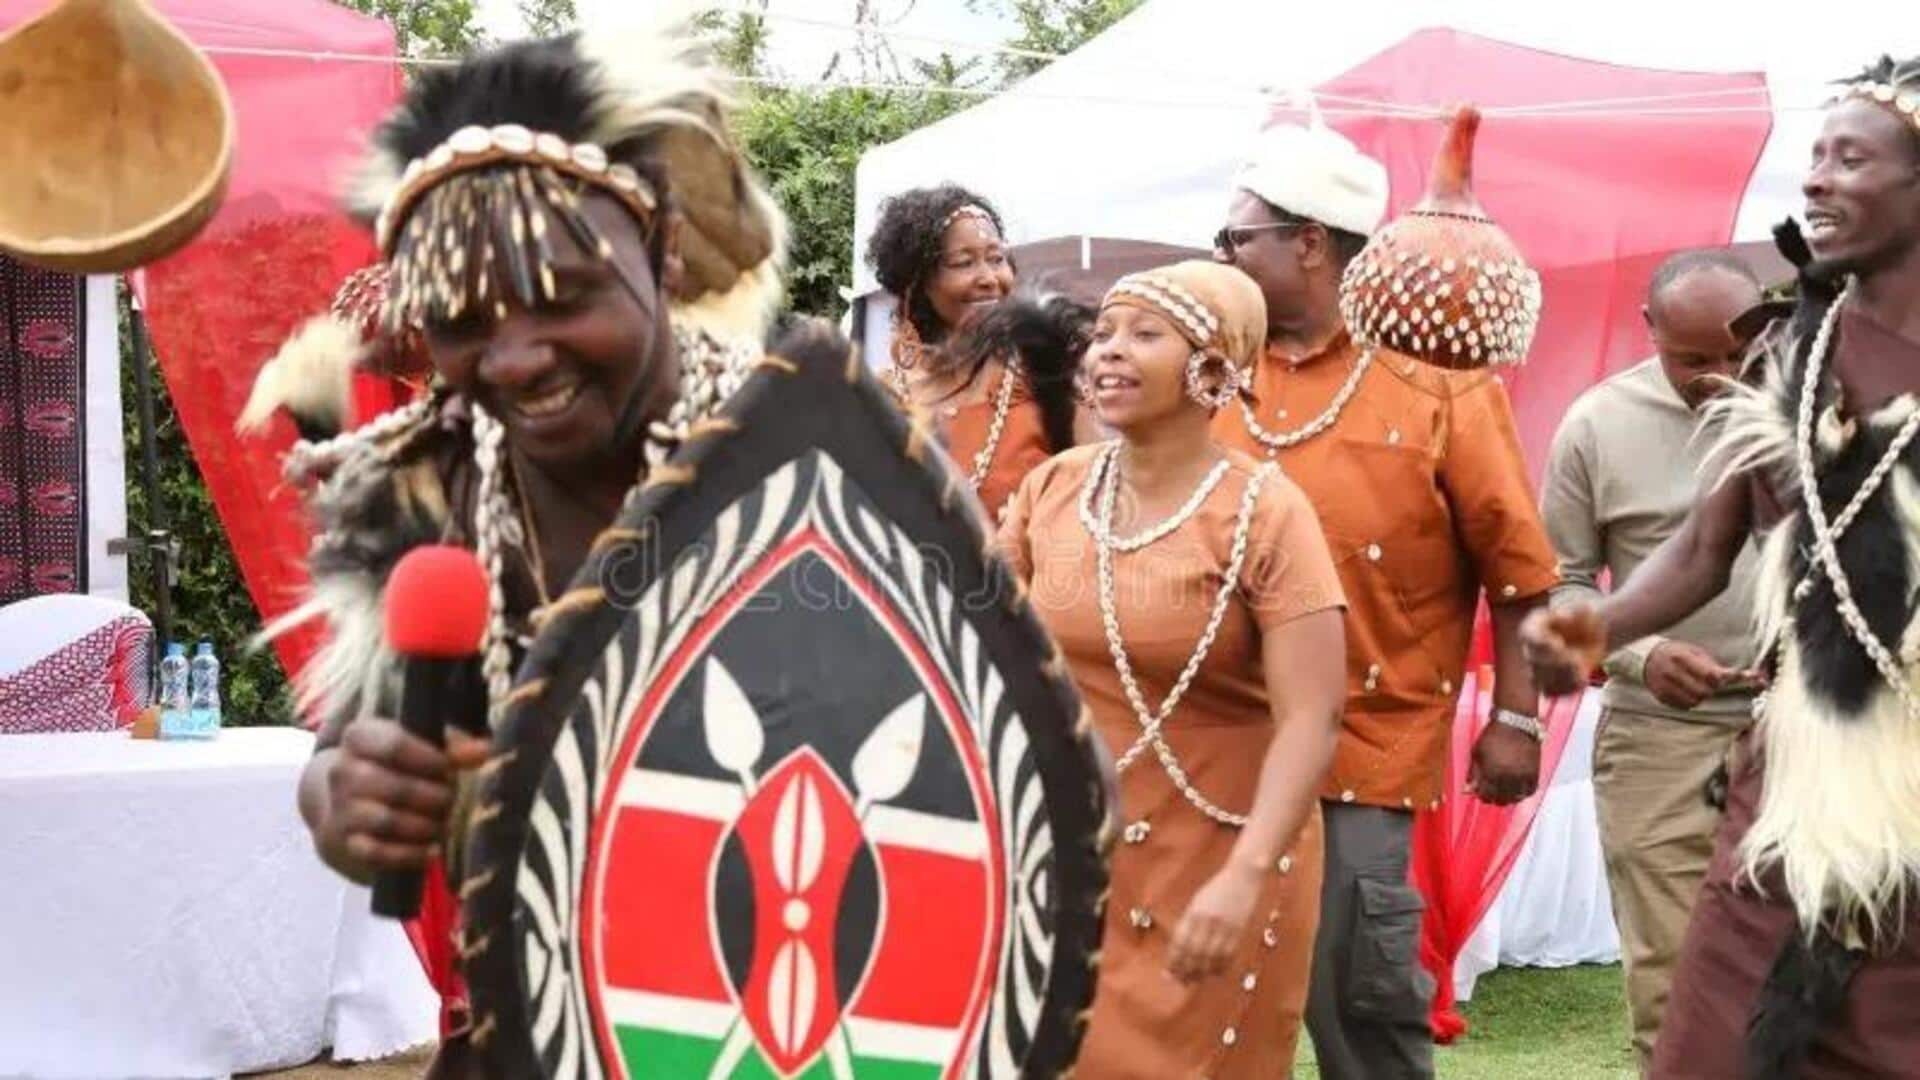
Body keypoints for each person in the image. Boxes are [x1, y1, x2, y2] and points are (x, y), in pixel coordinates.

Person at [246, 23, 796, 1074]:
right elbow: (345, 764)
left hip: (796, 1032)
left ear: (665, 246)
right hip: (522, 1032)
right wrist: (346, 803)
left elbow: (1042, 760)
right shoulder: (428, 487)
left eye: (562, 296)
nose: (515, 357)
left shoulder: (815, 458)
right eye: (461, 320)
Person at [1524, 55, 1920, 1078]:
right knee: (1714, 1050)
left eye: (1851, 158)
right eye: (1815, 157)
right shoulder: (1796, 351)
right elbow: (1708, 544)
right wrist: (1594, 630)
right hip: (1788, 796)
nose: (1817, 181)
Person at [1210, 120, 1561, 1079]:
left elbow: (1521, 575)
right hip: (1207, 741)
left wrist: (1519, 721)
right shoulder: (1210, 376)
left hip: (1364, 747)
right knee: (1206, 1004)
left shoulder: (1441, 391)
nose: (1219, 255)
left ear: (1310, 243)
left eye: (1235, 238)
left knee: (1356, 1002)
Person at [997, 260, 1345, 1076]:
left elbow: (1313, 716)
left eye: (1145, 335)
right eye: (1104, 334)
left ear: (1213, 369)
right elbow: (982, 650)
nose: (1108, 353)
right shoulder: (1052, 489)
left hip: (1224, 851)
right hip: (1072, 842)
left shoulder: (1267, 511)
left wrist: (1243, 875)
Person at [1538, 249, 1766, 1072]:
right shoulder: (1596, 425)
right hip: (1657, 739)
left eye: (1742, 355)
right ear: (1651, 333)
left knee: (1822, 969)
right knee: (1675, 980)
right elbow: (1556, 588)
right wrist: (1639, 655)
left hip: (1808, 733)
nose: (1722, 377)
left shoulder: (1822, 413)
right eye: (1694, 359)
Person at [865, 184, 1094, 520]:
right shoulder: (881, 396)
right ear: (918, 281)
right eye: (964, 262)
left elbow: (1098, 502)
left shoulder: (1047, 375)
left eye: (997, 258)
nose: (989, 278)